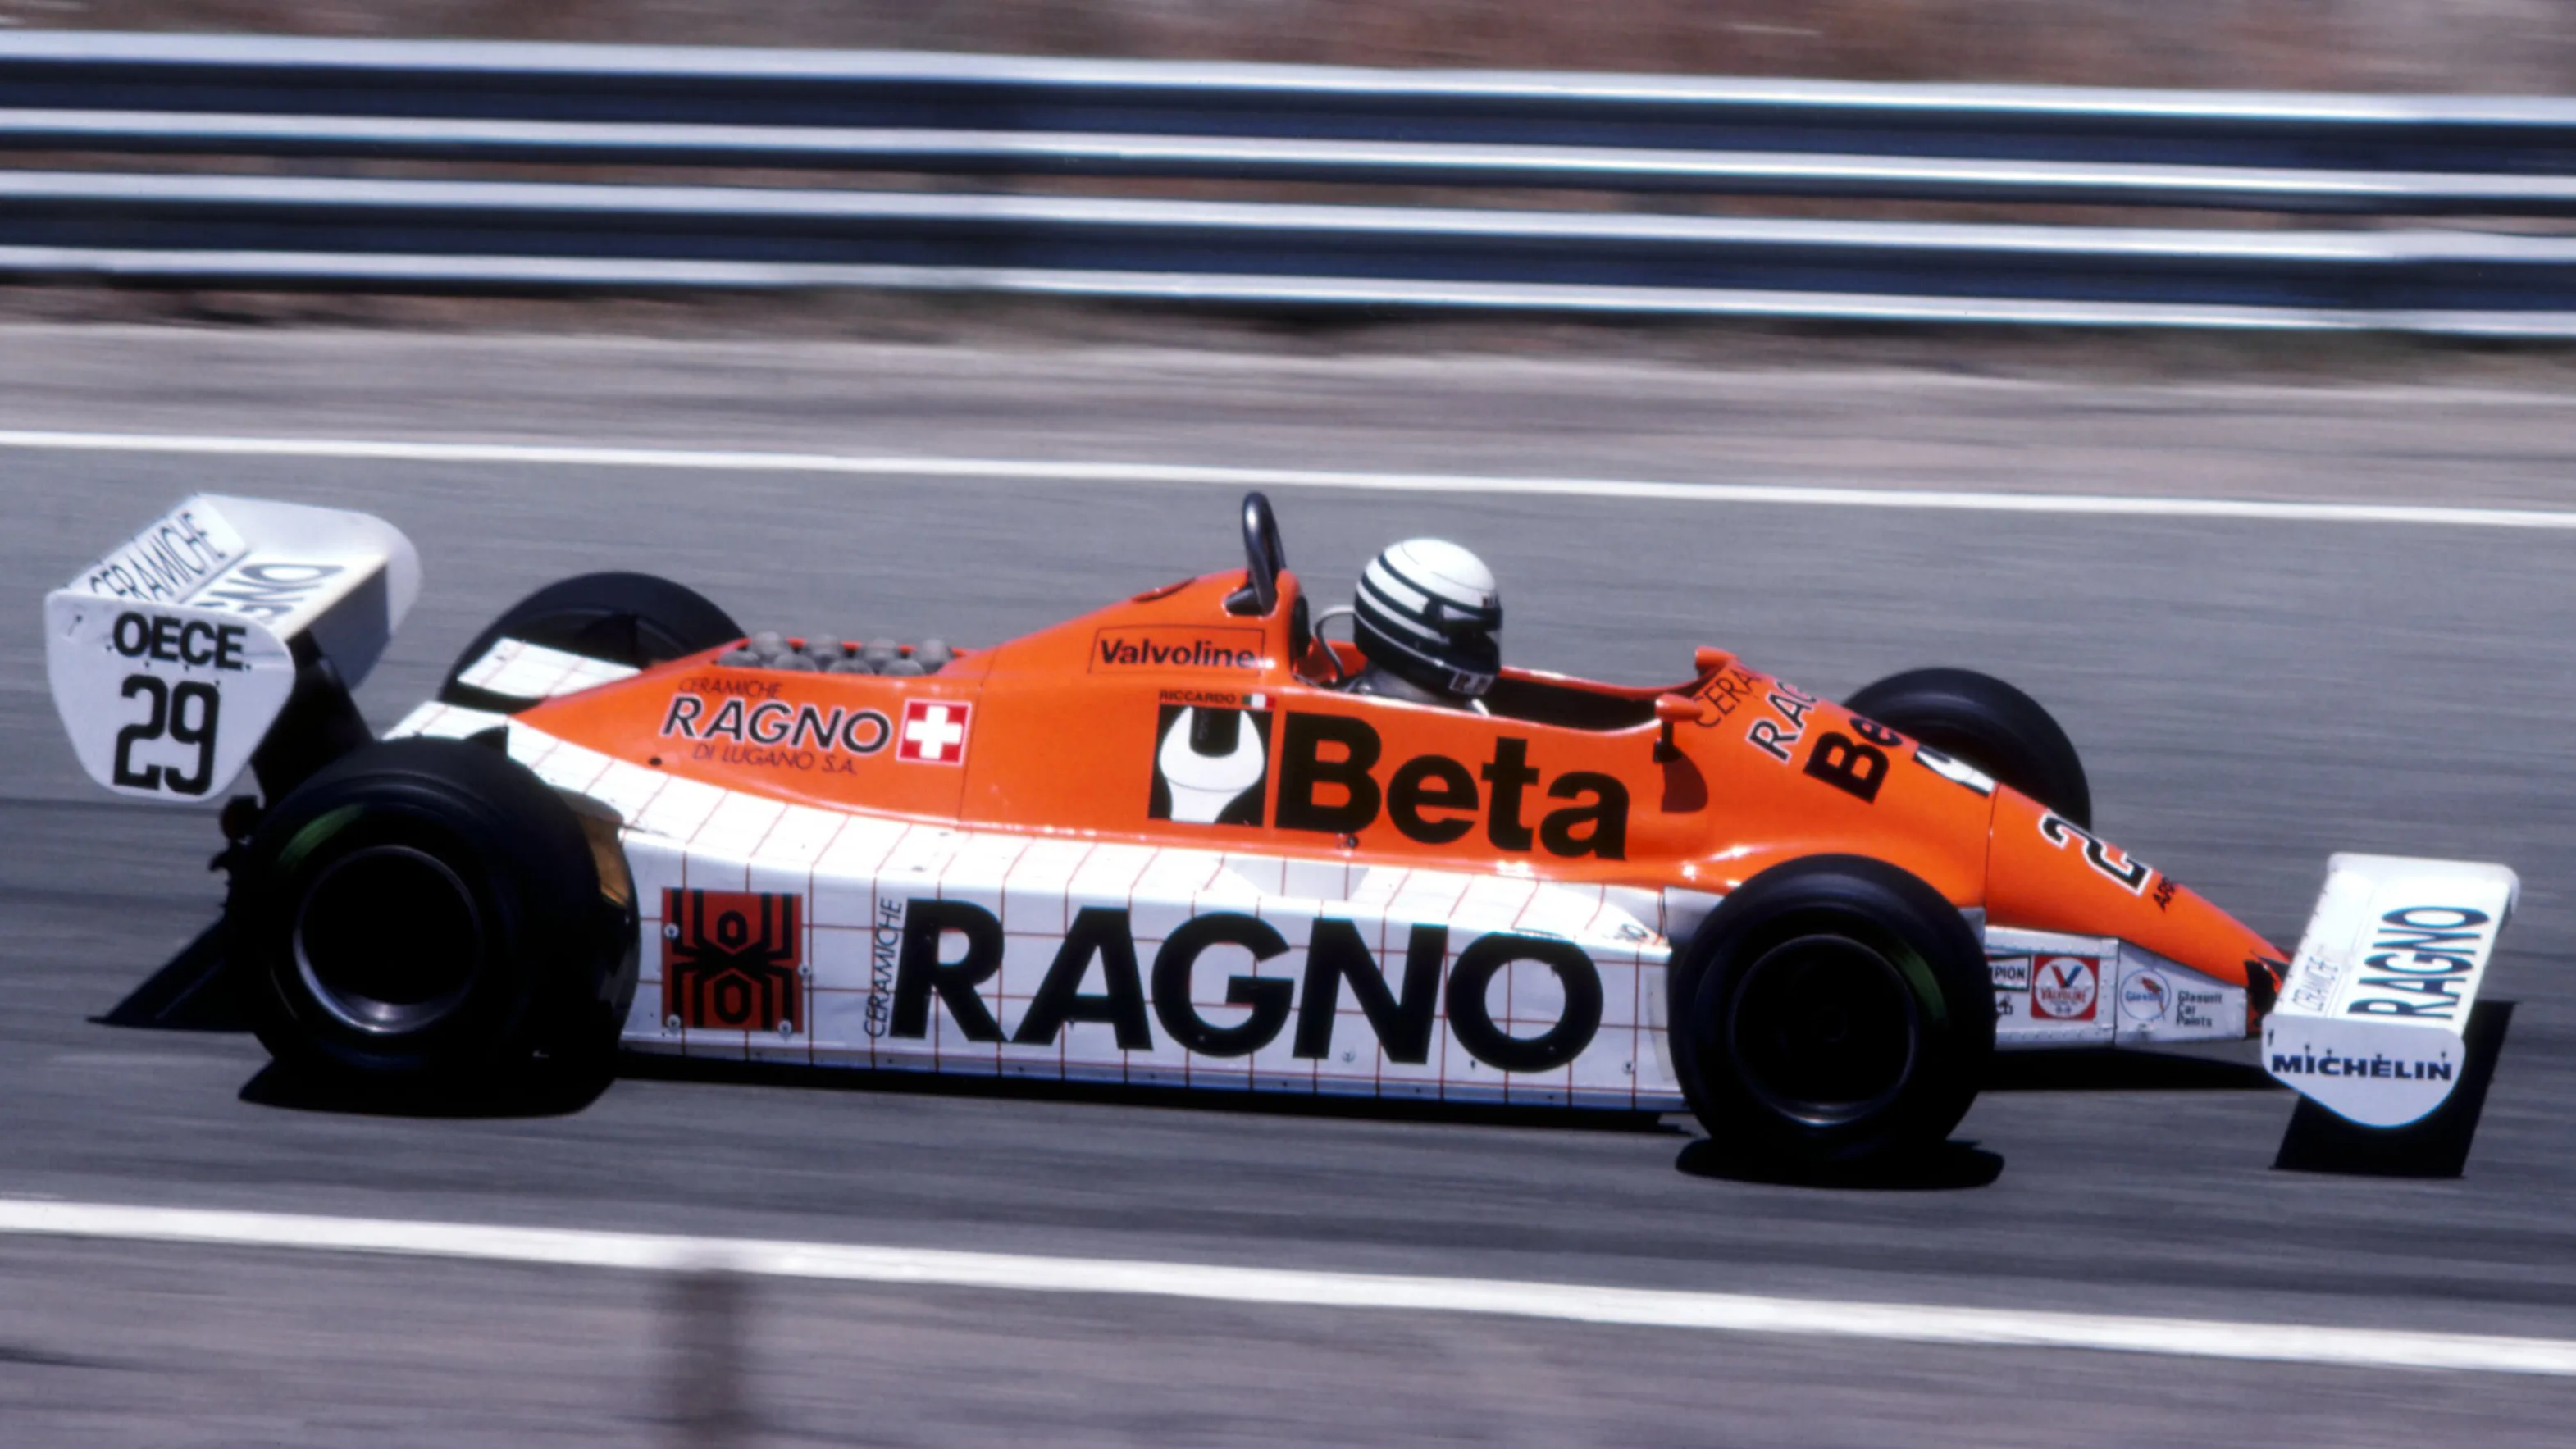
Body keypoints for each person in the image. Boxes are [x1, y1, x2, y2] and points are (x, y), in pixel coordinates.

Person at [1345, 538, 1500, 712]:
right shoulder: (1478, 713)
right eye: (1463, 636)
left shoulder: (1475, 710)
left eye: (1479, 634)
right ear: (1403, 623)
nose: (1480, 648)